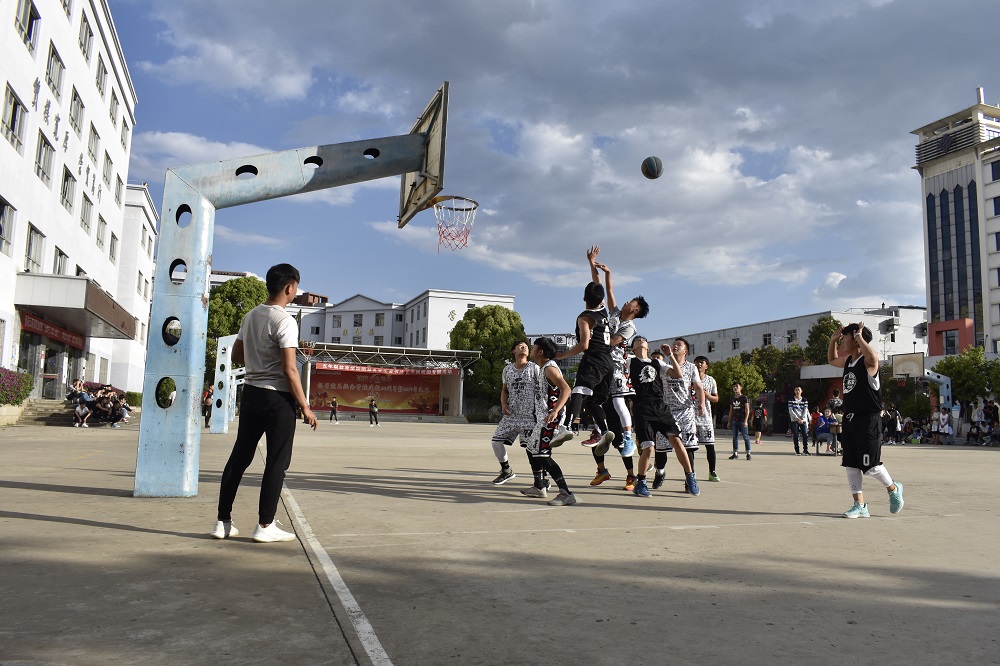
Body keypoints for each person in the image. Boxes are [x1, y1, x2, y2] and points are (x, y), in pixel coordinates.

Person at [213, 263, 318, 543]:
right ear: (290, 287)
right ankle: (265, 524)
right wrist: (305, 407)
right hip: (277, 399)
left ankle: (223, 522)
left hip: (251, 393)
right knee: (276, 462)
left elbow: (236, 355)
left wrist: (258, 362)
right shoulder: (285, 321)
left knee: (239, 458)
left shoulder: (250, 316)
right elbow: (290, 369)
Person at [828, 322, 904, 518]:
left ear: (856, 339)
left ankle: (894, 489)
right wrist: (833, 340)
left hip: (868, 419)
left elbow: (873, 357)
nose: (843, 342)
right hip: (850, 419)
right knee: (851, 464)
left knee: (871, 465)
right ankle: (860, 505)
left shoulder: (868, 362)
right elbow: (832, 359)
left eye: (845, 338)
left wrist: (859, 336)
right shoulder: (848, 362)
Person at [556, 245, 616, 451]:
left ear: (583, 298)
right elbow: (597, 284)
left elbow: (584, 345)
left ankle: (567, 426)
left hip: (595, 359)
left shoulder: (585, 318)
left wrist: (562, 355)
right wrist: (592, 263)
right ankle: (604, 430)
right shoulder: (602, 310)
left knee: (578, 390)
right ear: (600, 299)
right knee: (594, 402)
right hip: (609, 362)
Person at [629, 337, 699, 498]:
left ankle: (690, 477)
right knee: (649, 448)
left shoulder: (657, 363)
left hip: (660, 406)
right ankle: (641, 482)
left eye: (643, 339)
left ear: (648, 346)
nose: (641, 340)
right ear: (633, 348)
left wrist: (670, 355)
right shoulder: (630, 361)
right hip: (642, 407)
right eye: (637, 340)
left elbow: (678, 374)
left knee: (677, 441)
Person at [490, 340, 559, 485]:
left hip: (530, 417)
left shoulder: (534, 368)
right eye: (521, 346)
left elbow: (544, 388)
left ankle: (542, 479)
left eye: (527, 346)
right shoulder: (507, 369)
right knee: (496, 442)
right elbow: (504, 390)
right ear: (513, 351)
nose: (525, 347)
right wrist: (503, 404)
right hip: (511, 415)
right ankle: (506, 470)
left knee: (533, 450)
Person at [520, 337, 578, 506]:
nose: (531, 349)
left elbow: (566, 389)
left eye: (533, 347)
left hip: (550, 418)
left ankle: (566, 492)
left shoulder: (549, 368)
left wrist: (555, 411)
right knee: (531, 448)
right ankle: (539, 486)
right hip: (542, 418)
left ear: (540, 352)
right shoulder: (543, 368)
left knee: (541, 454)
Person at [659, 338, 706, 493]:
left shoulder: (691, 367)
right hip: (667, 411)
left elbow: (698, 387)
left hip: (685, 411)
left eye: (679, 345)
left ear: (685, 351)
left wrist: (701, 403)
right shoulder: (664, 366)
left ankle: (689, 478)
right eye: (674, 344)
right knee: (661, 449)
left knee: (689, 447)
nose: (675, 346)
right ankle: (660, 472)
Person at [693, 356, 720, 482]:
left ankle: (712, 471)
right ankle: (691, 472)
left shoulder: (711, 380)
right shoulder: (689, 379)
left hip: (705, 418)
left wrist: (707, 395)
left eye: (701, 362)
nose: (699, 364)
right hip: (691, 418)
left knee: (710, 445)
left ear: (706, 366)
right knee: (690, 447)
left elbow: (716, 399)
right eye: (697, 362)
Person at [728, 383, 751, 459]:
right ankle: (735, 453)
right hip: (735, 420)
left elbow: (747, 410)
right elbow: (731, 411)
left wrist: (746, 420)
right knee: (735, 437)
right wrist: (729, 421)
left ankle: (748, 453)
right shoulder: (732, 398)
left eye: (737, 386)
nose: (735, 388)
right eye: (734, 386)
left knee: (745, 437)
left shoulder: (744, 398)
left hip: (742, 420)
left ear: (740, 388)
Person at [788, 386, 810, 455]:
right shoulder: (791, 400)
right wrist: (797, 418)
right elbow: (791, 410)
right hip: (794, 420)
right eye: (796, 390)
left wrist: (802, 418)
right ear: (794, 391)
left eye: (799, 390)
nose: (797, 391)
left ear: (801, 391)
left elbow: (805, 410)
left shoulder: (804, 400)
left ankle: (805, 450)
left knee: (805, 434)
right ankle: (797, 450)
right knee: (796, 435)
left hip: (803, 420)